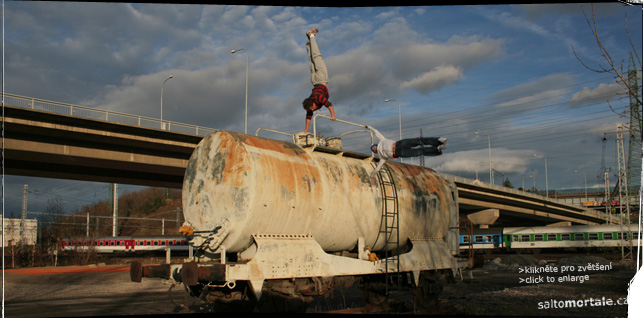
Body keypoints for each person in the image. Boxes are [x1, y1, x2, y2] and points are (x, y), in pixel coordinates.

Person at [366, 125, 446, 182]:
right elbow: (378, 167)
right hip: (399, 152)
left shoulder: (382, 140)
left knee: (418, 141)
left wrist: (369, 127)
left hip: (398, 144)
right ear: (375, 152)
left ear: (375, 145)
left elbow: (376, 131)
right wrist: (372, 176)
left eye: (373, 147)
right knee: (420, 152)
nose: (373, 149)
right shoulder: (382, 157)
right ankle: (437, 149)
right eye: (373, 150)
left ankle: (438, 140)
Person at [301, 28, 336, 133]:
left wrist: (333, 116)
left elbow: (329, 104)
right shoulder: (310, 105)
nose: (312, 110)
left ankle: (311, 36)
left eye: (312, 108)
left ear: (313, 103)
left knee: (317, 57)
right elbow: (308, 117)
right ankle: (309, 44)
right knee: (312, 60)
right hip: (314, 81)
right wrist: (306, 129)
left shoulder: (318, 98)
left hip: (321, 79)